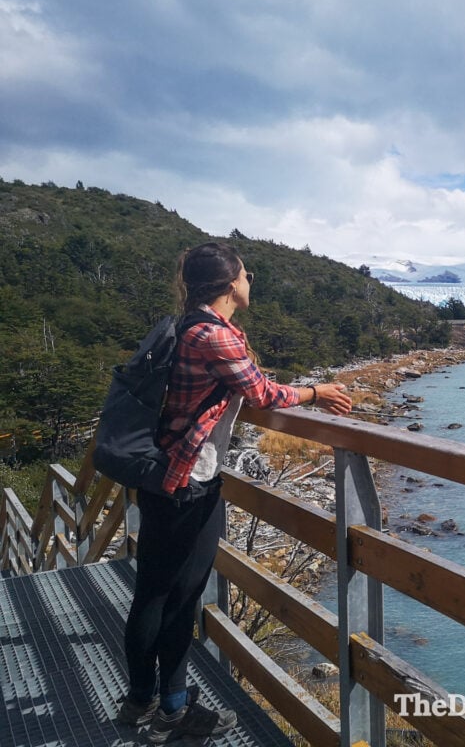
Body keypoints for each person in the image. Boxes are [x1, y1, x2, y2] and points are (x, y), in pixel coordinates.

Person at [116, 242, 352, 744]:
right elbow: (261, 393)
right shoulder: (213, 335)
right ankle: (174, 711)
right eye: (245, 275)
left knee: (152, 593)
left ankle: (140, 698)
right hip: (189, 481)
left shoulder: (185, 325)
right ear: (229, 285)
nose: (250, 282)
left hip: (161, 477)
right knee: (179, 599)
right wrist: (317, 393)